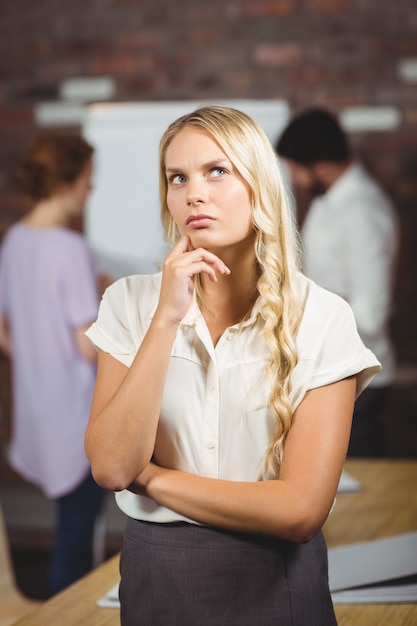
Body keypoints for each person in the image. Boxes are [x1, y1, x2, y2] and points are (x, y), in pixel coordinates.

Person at [84, 105, 380, 625]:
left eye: (216, 171)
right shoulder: (128, 304)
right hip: (158, 576)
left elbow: (300, 511)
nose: (194, 192)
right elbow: (110, 466)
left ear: (259, 186)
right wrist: (165, 321)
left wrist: (149, 478)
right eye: (178, 177)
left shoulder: (324, 318)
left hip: (277, 580)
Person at [0, 131, 106, 596]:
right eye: (87, 178)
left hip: (40, 409)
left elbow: (5, 330)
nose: (91, 188)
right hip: (76, 414)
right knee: (75, 539)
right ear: (66, 181)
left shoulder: (15, 240)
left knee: (69, 528)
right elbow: (88, 347)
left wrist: (38, 355)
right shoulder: (70, 249)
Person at [276, 108, 399, 457]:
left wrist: (303, 301)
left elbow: (371, 316)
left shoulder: (360, 213)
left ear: (321, 167)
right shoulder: (330, 202)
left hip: (360, 378)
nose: (293, 178)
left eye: (294, 168)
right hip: (330, 370)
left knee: (358, 495)